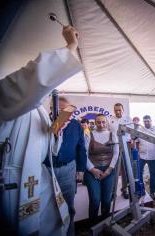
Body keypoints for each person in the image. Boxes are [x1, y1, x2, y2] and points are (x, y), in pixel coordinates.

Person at [0, 26, 81, 235]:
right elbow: (31, 79)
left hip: (40, 181)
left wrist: (55, 133)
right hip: (13, 185)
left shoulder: (38, 112)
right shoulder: (3, 98)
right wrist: (70, 45)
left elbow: (50, 148)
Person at [43, 96, 87, 236]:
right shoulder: (43, 123)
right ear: (51, 108)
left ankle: (69, 232)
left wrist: (80, 169)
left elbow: (81, 148)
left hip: (69, 170)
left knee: (68, 205)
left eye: (66, 110)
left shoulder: (76, 125)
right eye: (59, 109)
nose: (63, 113)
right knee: (47, 207)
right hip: (46, 171)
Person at [84, 114, 119, 224]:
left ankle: (105, 223)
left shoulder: (112, 134)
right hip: (92, 170)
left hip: (109, 170)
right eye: (98, 122)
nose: (101, 124)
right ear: (95, 123)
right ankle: (93, 224)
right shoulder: (89, 134)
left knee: (106, 200)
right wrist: (92, 169)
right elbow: (84, 154)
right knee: (95, 200)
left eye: (103, 122)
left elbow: (116, 153)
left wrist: (110, 169)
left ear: (107, 122)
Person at [109, 103, 132, 199]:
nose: (118, 112)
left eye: (119, 110)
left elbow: (132, 133)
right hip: (114, 145)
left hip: (125, 145)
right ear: (114, 110)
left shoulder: (128, 119)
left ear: (123, 110)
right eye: (116, 110)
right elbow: (108, 133)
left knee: (125, 169)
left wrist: (132, 141)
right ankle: (112, 192)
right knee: (113, 168)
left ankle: (124, 189)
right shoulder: (110, 119)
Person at [137, 115, 155, 200]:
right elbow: (136, 142)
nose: (146, 123)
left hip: (153, 156)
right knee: (139, 174)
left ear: (151, 121)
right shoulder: (140, 129)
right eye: (145, 121)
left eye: (148, 121)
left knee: (153, 174)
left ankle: (153, 192)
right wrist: (137, 153)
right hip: (141, 156)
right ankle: (141, 190)